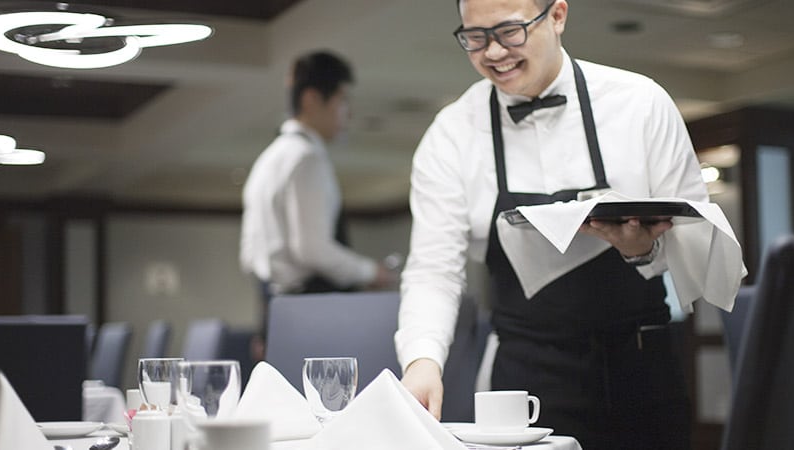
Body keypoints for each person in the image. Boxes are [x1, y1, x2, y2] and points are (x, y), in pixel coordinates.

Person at [396, 1, 711, 448]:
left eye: (509, 31)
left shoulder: (640, 104)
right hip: (524, 376)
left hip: (642, 362)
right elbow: (434, 270)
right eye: (475, 37)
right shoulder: (451, 134)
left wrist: (643, 250)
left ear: (558, 15)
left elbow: (699, 244)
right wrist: (422, 361)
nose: (493, 52)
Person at [240, 51, 394, 334]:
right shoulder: (306, 158)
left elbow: (250, 255)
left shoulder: (268, 159)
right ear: (312, 99)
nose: (348, 112)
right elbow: (311, 249)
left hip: (276, 304)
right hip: (310, 309)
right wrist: (370, 272)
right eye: (342, 99)